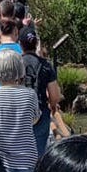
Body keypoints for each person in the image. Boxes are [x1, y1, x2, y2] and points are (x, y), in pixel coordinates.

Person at [19, 28, 62, 156]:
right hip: (40, 112)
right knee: (39, 152)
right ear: (36, 43)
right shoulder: (46, 65)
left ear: (20, 44)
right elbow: (54, 96)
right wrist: (53, 107)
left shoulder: (16, 63)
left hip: (19, 113)